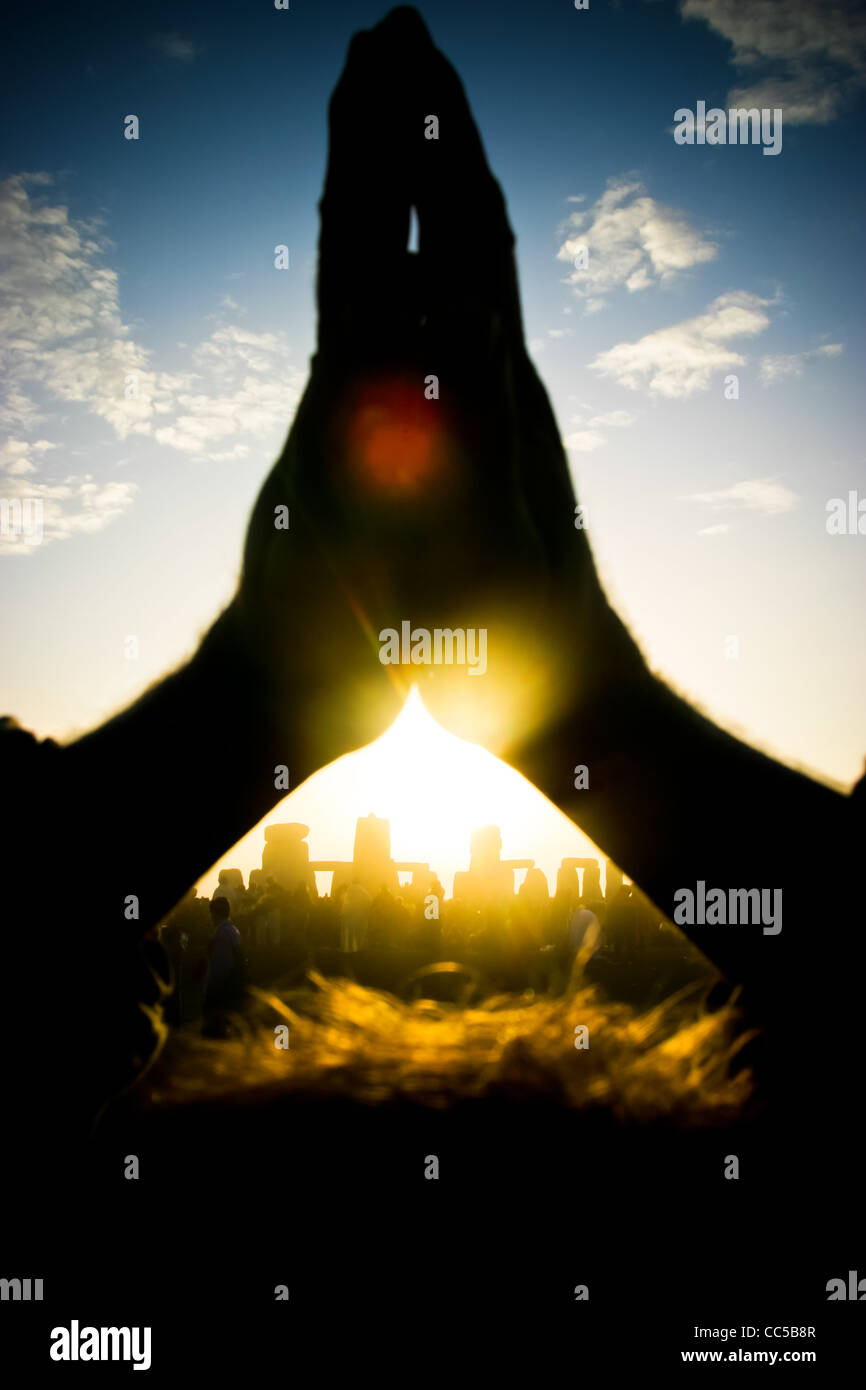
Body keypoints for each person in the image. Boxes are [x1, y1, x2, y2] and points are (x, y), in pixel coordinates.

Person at [201, 897, 245, 1037]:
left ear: (214, 913)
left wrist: (213, 989)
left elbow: (221, 967)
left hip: (220, 992)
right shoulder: (233, 930)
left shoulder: (222, 934)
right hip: (230, 989)